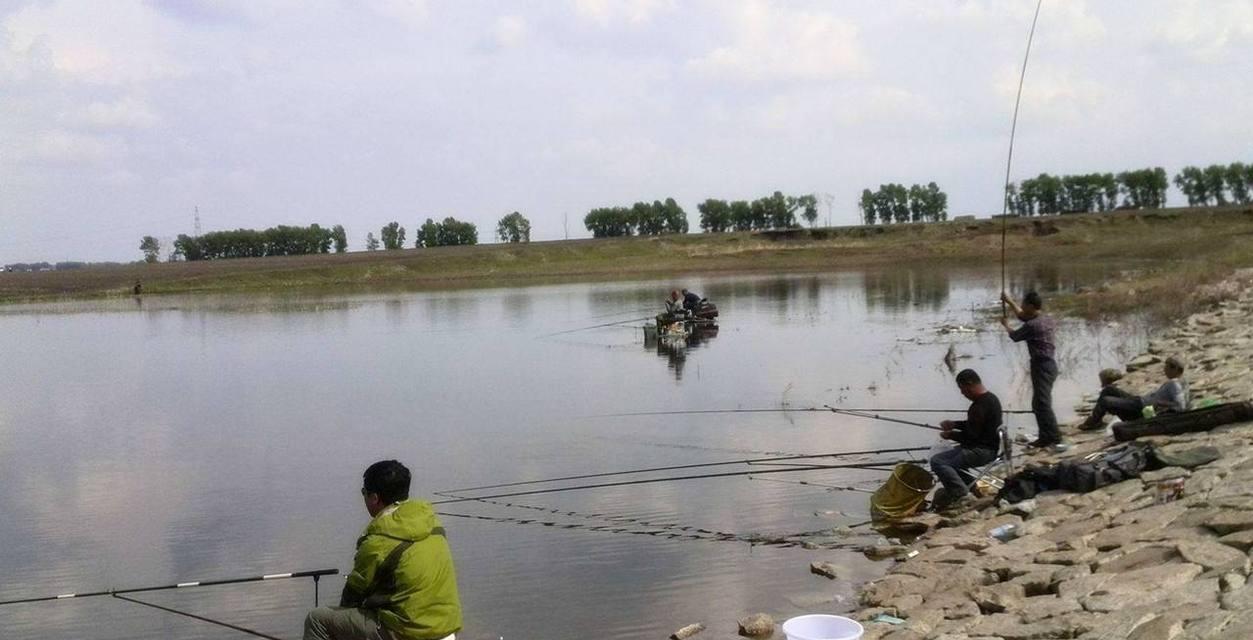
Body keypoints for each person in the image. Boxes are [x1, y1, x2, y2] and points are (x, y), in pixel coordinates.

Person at [304, 460, 461, 640]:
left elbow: (353, 595)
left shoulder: (377, 542)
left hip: (410, 633)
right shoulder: (432, 523)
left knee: (316, 619)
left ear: (375, 498)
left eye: (364, 492)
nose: (363, 498)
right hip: (446, 627)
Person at [931, 369, 1003, 511]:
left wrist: (950, 435)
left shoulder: (978, 406)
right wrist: (955, 424)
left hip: (982, 451)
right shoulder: (991, 399)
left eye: (962, 388)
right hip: (991, 447)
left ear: (969, 384)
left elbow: (971, 436)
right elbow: (975, 426)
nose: (962, 393)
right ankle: (973, 491)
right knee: (951, 460)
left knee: (938, 461)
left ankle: (962, 496)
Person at [1000, 290, 1060, 448]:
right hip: (1048, 364)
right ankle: (1047, 435)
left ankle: (1052, 436)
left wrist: (1006, 326)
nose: (1021, 306)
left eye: (1024, 304)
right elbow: (1022, 316)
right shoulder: (1045, 318)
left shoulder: (1033, 325)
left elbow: (1015, 336)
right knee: (1039, 402)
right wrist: (1009, 301)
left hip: (1042, 365)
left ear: (1031, 306)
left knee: (1042, 403)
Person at [1080, 357, 1190, 430]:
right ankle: (1095, 420)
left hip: (1141, 409)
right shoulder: (1180, 381)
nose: (1164, 370)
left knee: (1105, 401)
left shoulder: (1174, 384)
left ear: (1175, 369)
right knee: (1109, 390)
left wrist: (1160, 403)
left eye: (1166, 368)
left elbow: (1181, 406)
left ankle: (1093, 423)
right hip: (1139, 402)